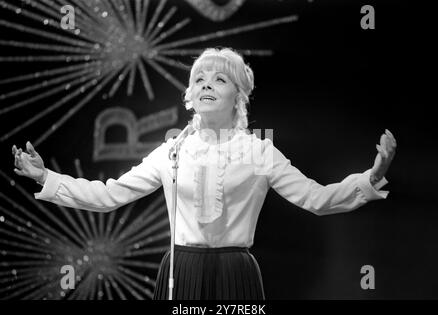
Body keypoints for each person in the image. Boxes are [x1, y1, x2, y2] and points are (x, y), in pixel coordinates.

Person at [11, 47, 397, 300]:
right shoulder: (173, 150)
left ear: (238, 96)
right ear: (191, 96)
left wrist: (371, 176)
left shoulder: (259, 151)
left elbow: (317, 199)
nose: (207, 85)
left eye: (220, 79)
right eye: (199, 79)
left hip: (235, 272)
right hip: (182, 271)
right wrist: (47, 178)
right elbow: (110, 195)